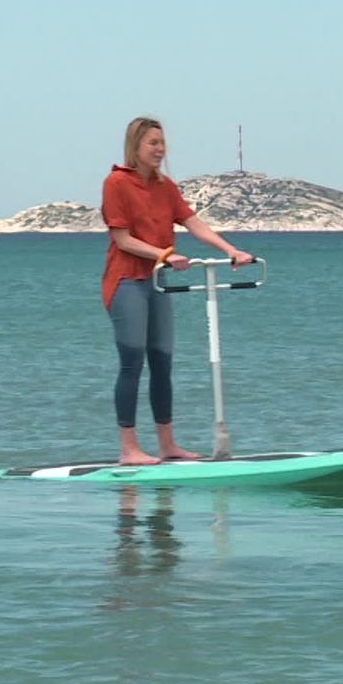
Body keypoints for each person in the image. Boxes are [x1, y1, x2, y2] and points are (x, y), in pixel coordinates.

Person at [101, 116, 254, 464]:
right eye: (153, 143)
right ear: (136, 147)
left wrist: (230, 250)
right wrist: (165, 255)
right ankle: (129, 450)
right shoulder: (116, 183)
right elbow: (122, 239)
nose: (160, 149)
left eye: (162, 142)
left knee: (162, 363)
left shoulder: (165, 186)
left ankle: (167, 445)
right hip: (127, 281)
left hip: (157, 281)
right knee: (132, 363)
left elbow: (193, 223)